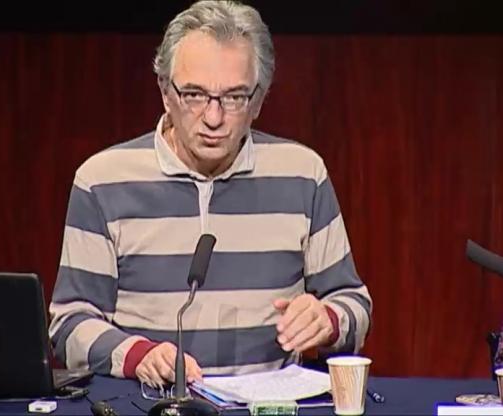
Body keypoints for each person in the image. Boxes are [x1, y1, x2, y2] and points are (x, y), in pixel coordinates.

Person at [49, 0, 372, 388]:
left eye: (234, 97)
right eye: (195, 95)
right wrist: (138, 355)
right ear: (166, 93)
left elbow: (354, 306)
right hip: (149, 405)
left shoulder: (303, 174)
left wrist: (328, 321)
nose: (214, 118)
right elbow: (68, 326)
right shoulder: (102, 180)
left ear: (259, 100)